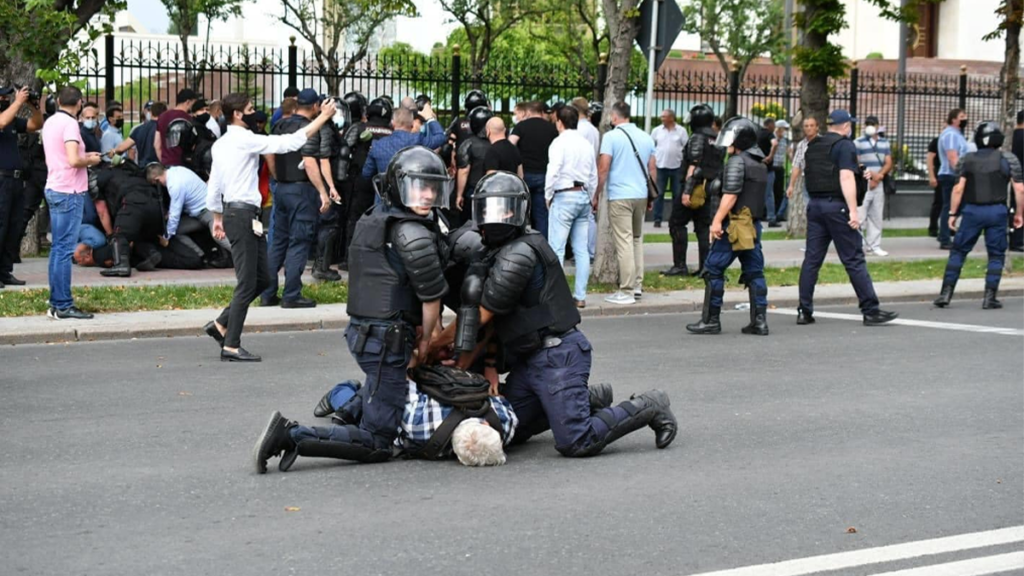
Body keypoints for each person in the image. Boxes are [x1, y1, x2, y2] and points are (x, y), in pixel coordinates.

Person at [430, 172, 677, 457]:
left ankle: (649, 404)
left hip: (558, 356)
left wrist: (433, 348)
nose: (495, 217)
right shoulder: (493, 251)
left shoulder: (519, 253)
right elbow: (495, 323)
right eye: (489, 208)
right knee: (507, 430)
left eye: (503, 208)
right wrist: (488, 366)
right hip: (531, 361)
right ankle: (585, 399)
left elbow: (482, 316)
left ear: (518, 210)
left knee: (576, 440)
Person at [253, 146, 452, 467]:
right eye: (418, 186)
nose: (427, 194)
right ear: (399, 187)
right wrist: (427, 340)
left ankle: (346, 400)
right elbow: (430, 299)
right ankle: (290, 435)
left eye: (431, 186)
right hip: (386, 342)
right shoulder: (413, 231)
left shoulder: (375, 218)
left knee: (387, 392)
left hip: (364, 334)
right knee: (378, 440)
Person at [202, 92, 337, 362]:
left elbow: (215, 183)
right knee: (247, 282)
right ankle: (231, 344)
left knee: (263, 277)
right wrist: (323, 117)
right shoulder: (245, 140)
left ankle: (220, 324)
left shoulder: (222, 143)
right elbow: (290, 142)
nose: (255, 113)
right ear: (238, 114)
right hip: (241, 216)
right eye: (250, 109)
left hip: (239, 215)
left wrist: (217, 216)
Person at [797, 110, 899, 326]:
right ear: (844, 126)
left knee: (812, 260)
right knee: (853, 259)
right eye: (850, 125)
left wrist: (859, 173)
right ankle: (870, 310)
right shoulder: (844, 145)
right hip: (837, 207)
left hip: (815, 207)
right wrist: (853, 210)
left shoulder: (813, 145)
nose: (851, 128)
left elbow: (821, 173)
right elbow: (844, 177)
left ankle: (804, 311)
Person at [685, 117, 770, 336]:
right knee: (754, 271)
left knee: (713, 269)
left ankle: (711, 320)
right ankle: (759, 321)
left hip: (732, 226)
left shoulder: (737, 161)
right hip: (751, 227)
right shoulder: (758, 164)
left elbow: (731, 195)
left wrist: (716, 222)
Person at [934, 122, 1024, 309]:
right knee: (996, 254)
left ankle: (946, 293)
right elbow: (1020, 189)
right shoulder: (1008, 159)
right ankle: (989, 297)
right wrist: (1020, 214)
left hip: (972, 211)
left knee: (958, 251)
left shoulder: (967, 159)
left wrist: (952, 213)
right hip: (997, 211)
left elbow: (958, 189)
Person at [260, 89, 335, 309]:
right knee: (299, 242)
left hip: (281, 189)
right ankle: (291, 294)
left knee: (278, 242)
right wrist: (322, 192)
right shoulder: (310, 128)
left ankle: (267, 293)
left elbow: (270, 154)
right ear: (314, 107)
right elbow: (310, 162)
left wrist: (277, 177)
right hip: (301, 191)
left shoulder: (280, 124)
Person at [42, 86, 102, 319]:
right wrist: (91, 159)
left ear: (58, 101)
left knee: (57, 249)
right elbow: (73, 158)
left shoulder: (51, 122)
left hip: (54, 186)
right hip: (70, 190)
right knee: (65, 250)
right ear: (79, 104)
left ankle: (56, 303)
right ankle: (64, 305)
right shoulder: (69, 125)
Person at [597, 101, 656, 305]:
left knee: (624, 241)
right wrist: (651, 196)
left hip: (620, 195)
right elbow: (652, 169)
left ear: (614, 117)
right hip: (640, 193)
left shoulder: (611, 137)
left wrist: (596, 194)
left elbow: (604, 168)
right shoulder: (646, 137)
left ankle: (627, 289)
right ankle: (637, 285)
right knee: (637, 239)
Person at [545, 105, 597, 308]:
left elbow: (554, 170)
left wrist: (548, 195)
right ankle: (580, 295)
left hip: (564, 194)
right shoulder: (586, 144)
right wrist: (591, 196)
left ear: (559, 121)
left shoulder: (558, 143)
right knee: (581, 250)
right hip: (583, 194)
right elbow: (593, 175)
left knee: (556, 248)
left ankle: (557, 295)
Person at [665, 103, 720, 277]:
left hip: (694, 187)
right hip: (709, 189)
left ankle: (680, 265)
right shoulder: (717, 138)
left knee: (676, 223)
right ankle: (705, 267)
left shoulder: (697, 137)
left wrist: (686, 191)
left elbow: (694, 166)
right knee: (703, 228)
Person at [0, 86, 43, 289]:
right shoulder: (3, 119)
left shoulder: (11, 120)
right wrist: (18, 102)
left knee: (13, 226)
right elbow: (1, 121)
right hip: (1, 180)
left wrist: (33, 107)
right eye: (2, 96)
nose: (5, 99)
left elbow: (35, 125)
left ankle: (5, 271)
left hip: (15, 181)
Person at [145, 163, 231, 259]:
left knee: (218, 236)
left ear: (157, 180)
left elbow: (175, 215)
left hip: (208, 210)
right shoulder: (177, 170)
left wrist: (166, 237)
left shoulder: (174, 185)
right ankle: (200, 256)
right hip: (198, 213)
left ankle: (244, 256)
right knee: (178, 230)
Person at [509, 100, 559, 239]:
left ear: (529, 112)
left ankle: (520, 245)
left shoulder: (521, 126)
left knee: (521, 212)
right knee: (541, 215)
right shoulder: (551, 129)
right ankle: (541, 249)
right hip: (544, 175)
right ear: (542, 112)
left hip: (524, 175)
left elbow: (510, 144)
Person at [854, 115, 893, 256]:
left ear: (878, 126)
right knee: (860, 216)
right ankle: (859, 245)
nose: (870, 126)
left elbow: (888, 162)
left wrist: (879, 176)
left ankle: (874, 245)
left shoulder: (884, 142)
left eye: (873, 124)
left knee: (876, 216)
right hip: (864, 183)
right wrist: (870, 176)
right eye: (868, 124)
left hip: (878, 184)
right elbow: (857, 162)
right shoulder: (858, 142)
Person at [937, 108, 970, 250]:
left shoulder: (957, 134)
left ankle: (948, 231)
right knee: (950, 207)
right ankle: (945, 237)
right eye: (962, 116)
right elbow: (952, 157)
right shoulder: (951, 134)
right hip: (951, 175)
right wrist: (960, 174)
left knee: (956, 206)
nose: (965, 119)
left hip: (954, 174)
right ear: (953, 119)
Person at [650, 109, 688, 228]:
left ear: (671, 118)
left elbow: (686, 147)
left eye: (664, 117)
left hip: (676, 166)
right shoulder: (656, 131)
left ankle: (675, 218)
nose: (662, 119)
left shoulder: (681, 131)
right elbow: (652, 146)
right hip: (661, 166)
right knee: (659, 193)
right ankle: (657, 219)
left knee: (676, 194)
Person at [454, 106, 493, 221]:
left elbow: (463, 171)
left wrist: (459, 195)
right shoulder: (497, 143)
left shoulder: (468, 144)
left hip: (473, 189)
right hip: (493, 190)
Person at [109, 101, 166, 166]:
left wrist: (114, 151)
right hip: (160, 168)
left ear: (151, 113)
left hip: (143, 168)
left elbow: (121, 148)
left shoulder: (139, 129)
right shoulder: (165, 129)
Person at [154, 88, 198, 167]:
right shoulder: (188, 119)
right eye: (193, 104)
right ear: (188, 102)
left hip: (166, 163)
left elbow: (157, 144)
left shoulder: (162, 116)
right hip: (183, 164)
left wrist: (163, 161)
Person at [785, 115, 819, 206]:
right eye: (806, 126)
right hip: (807, 180)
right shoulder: (801, 144)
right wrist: (791, 185)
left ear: (817, 127)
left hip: (822, 179)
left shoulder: (824, 142)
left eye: (812, 125)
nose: (809, 128)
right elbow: (796, 165)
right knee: (809, 207)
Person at [770, 120, 791, 225]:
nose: (785, 131)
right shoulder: (772, 138)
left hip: (780, 167)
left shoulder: (785, 140)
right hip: (772, 166)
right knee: (771, 191)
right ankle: (771, 214)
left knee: (779, 191)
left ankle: (779, 214)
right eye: (784, 129)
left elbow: (788, 153)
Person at [758, 118, 777, 224]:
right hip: (768, 168)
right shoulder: (769, 134)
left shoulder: (757, 134)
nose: (774, 127)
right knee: (769, 194)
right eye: (774, 125)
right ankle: (771, 217)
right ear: (770, 125)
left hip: (757, 168)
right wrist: (770, 156)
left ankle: (758, 214)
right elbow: (775, 144)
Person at [1010, 111, 1024, 252]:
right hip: (1021, 176)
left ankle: (1013, 237)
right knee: (1021, 208)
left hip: (1010, 175)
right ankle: (1018, 240)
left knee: (1012, 207)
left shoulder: (1011, 135)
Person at [926, 134, 942, 237]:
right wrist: (931, 176)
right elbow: (930, 158)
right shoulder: (937, 140)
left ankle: (949, 226)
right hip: (939, 172)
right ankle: (933, 227)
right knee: (939, 202)